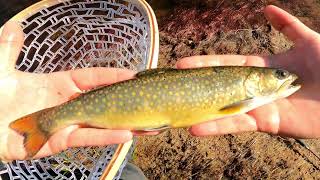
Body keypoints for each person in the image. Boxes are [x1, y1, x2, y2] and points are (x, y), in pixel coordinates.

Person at [0, 4, 319, 165]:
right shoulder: (243, 94)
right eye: (278, 76)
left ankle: (48, 122)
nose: (286, 79)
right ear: (256, 80)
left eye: (279, 75)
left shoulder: (244, 93)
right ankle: (46, 123)